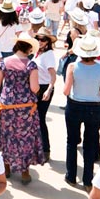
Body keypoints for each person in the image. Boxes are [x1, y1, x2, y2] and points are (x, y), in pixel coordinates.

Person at [63, 34, 100, 190]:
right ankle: (88, 180)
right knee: (90, 144)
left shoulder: (72, 67)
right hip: (94, 106)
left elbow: (65, 91)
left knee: (72, 141)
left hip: (75, 104)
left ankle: (71, 176)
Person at [0, 33, 43, 184]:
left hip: (7, 104)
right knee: (25, 137)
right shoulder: (31, 65)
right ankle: (24, 171)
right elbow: (34, 88)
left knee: (8, 134)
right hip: (26, 107)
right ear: (29, 49)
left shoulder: (4, 62)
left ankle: (7, 167)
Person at [33, 28, 57, 156]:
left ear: (48, 42)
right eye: (38, 39)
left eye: (43, 39)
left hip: (44, 88)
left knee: (40, 119)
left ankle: (46, 149)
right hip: (35, 87)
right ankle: (38, 147)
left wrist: (49, 89)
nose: (40, 41)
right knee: (34, 119)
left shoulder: (48, 55)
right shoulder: (37, 53)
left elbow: (53, 75)